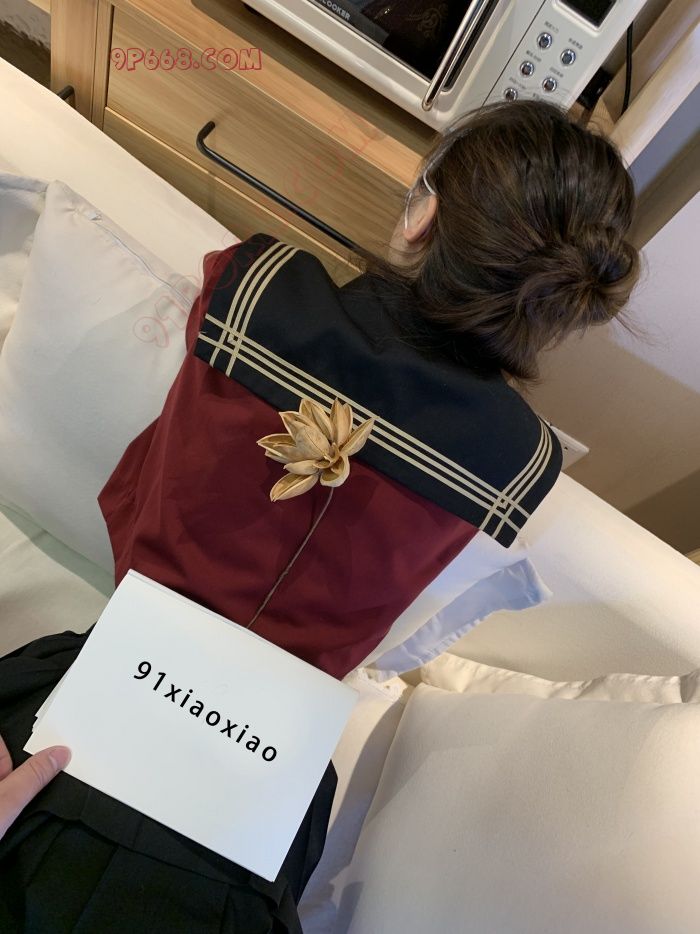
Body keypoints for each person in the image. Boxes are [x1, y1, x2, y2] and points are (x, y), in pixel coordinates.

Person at [0, 100, 640, 932]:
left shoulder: (258, 287)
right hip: (257, 796)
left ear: (424, 214)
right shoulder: (518, 461)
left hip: (91, 703)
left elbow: (138, 486)